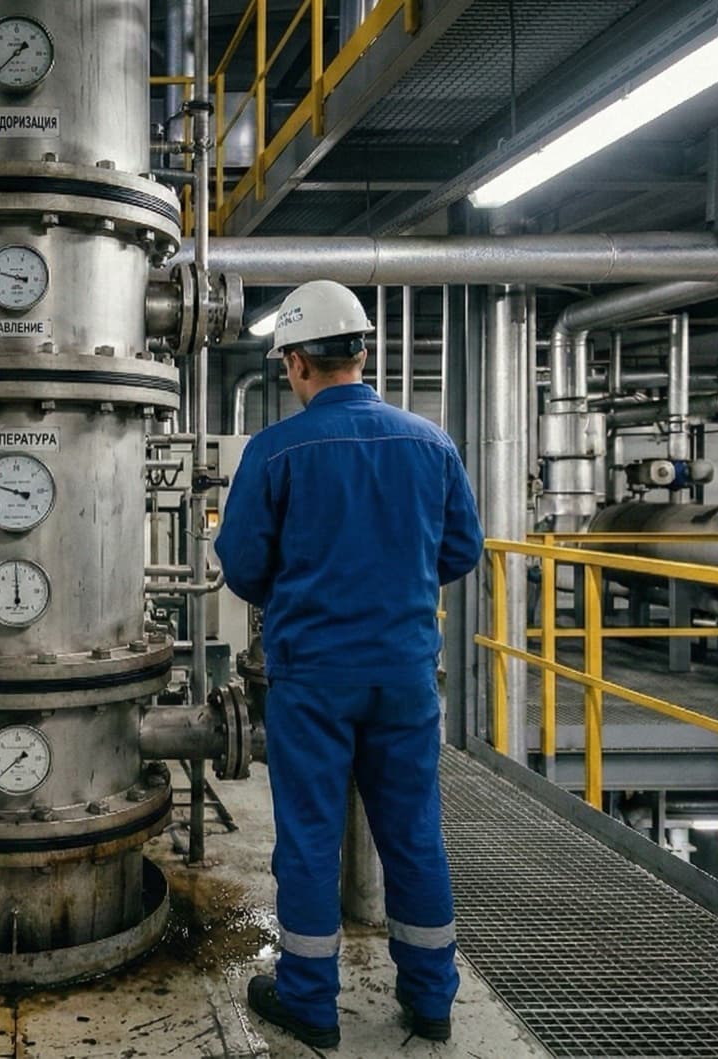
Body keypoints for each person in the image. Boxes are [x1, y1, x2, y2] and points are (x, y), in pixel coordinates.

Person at [214, 280, 484, 1049]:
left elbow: (240, 565)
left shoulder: (276, 449)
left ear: (297, 361)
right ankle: (431, 1000)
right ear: (362, 352)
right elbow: (462, 550)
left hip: (312, 678)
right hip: (403, 673)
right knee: (415, 835)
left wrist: (303, 591)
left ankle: (311, 1003)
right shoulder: (430, 442)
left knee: (309, 836)